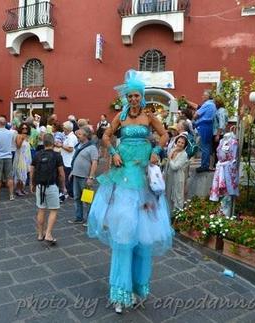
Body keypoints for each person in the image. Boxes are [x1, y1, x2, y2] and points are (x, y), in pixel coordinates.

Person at [87, 70, 173, 314]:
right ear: (126, 97)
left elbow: (165, 133)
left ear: (142, 97)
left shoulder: (149, 116)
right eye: (130, 96)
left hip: (143, 174)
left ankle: (137, 287)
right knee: (124, 233)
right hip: (123, 172)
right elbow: (105, 135)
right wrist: (113, 153)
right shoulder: (120, 116)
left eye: (137, 95)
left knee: (144, 236)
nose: (133, 99)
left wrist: (158, 150)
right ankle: (120, 292)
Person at [30, 133, 65, 244]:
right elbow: (61, 174)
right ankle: (48, 234)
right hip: (52, 185)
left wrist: (32, 184)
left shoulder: (37, 155)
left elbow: (32, 170)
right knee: (53, 210)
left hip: (40, 186)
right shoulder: (57, 156)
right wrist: (62, 186)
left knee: (41, 209)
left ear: (43, 143)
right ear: (53, 142)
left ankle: (40, 234)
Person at [68, 126, 98, 225]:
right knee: (77, 197)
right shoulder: (79, 145)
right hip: (76, 175)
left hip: (85, 177)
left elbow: (94, 162)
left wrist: (91, 177)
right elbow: (75, 159)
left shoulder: (92, 147)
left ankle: (89, 220)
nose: (77, 136)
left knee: (87, 199)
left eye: (80, 134)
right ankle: (79, 217)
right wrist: (72, 172)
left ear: (86, 136)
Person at [187, 90, 216, 172]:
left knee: (204, 146)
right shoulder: (212, 104)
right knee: (207, 146)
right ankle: (206, 164)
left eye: (204, 95)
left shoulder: (207, 104)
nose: (202, 96)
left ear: (208, 96)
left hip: (204, 125)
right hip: (209, 126)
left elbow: (197, 114)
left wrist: (193, 119)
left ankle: (204, 165)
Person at [0, 116, 15, 201]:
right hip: (8, 156)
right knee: (9, 177)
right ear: (5, 123)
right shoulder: (11, 133)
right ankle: (11, 195)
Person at [164, 135, 189, 211]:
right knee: (168, 196)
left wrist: (170, 159)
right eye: (179, 142)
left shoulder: (184, 154)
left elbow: (175, 167)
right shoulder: (172, 150)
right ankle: (169, 216)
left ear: (185, 145)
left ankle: (177, 217)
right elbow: (167, 165)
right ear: (176, 142)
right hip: (169, 177)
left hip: (177, 178)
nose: (180, 144)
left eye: (182, 143)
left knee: (177, 197)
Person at [13, 122, 32, 196]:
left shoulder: (27, 136)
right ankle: (18, 189)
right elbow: (18, 146)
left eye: (26, 128)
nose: (24, 129)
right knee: (20, 173)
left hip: (26, 157)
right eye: (23, 128)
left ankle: (22, 189)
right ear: (20, 129)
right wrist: (22, 139)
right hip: (20, 157)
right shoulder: (19, 136)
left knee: (25, 173)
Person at [61, 121, 78, 198]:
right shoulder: (68, 136)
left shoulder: (71, 137)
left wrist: (61, 145)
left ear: (67, 129)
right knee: (67, 177)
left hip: (68, 161)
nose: (63, 130)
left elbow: (70, 149)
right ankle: (68, 192)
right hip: (66, 160)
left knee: (68, 178)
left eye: (64, 128)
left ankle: (69, 193)